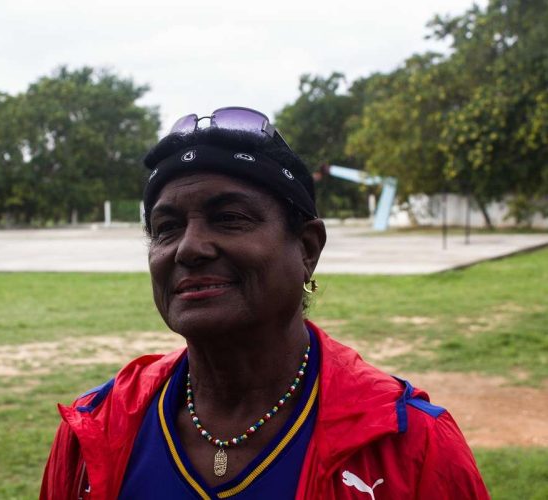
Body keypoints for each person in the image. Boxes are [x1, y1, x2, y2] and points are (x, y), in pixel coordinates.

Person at [40, 107, 489, 499]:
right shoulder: (96, 430)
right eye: (167, 227)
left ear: (308, 248)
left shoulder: (410, 447)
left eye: (230, 218)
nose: (189, 248)